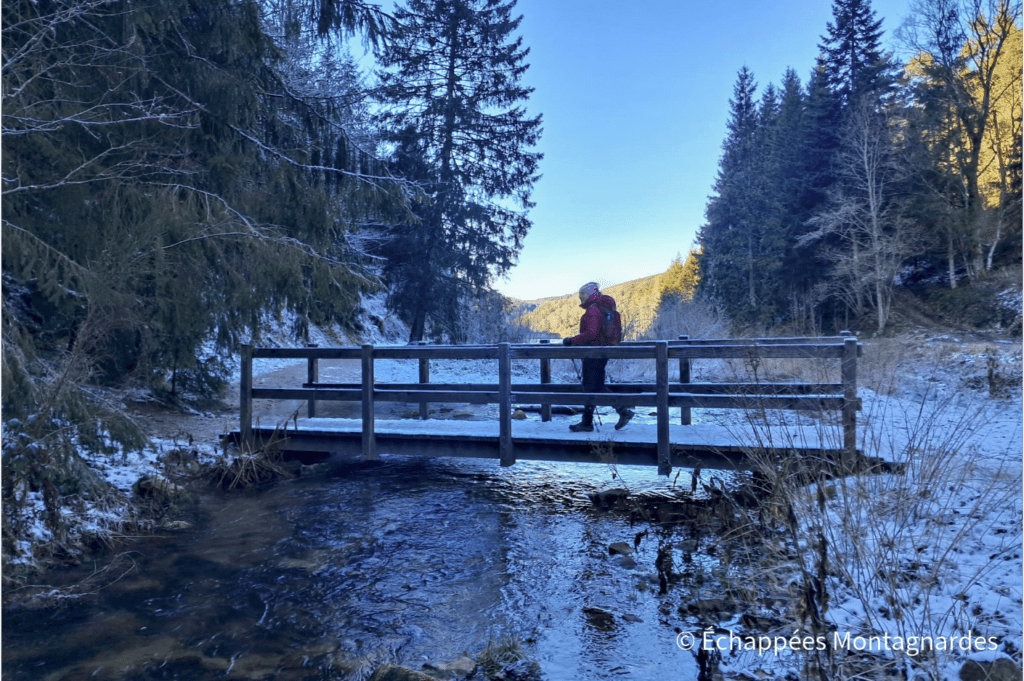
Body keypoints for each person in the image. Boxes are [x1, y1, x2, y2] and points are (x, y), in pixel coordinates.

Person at [562, 282, 634, 432]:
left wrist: (572, 340)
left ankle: (621, 412)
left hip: (594, 353)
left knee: (592, 386)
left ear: (590, 294)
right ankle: (592, 420)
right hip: (600, 352)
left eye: (582, 293)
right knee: (594, 386)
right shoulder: (598, 308)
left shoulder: (593, 310)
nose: (579, 296)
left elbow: (592, 333)